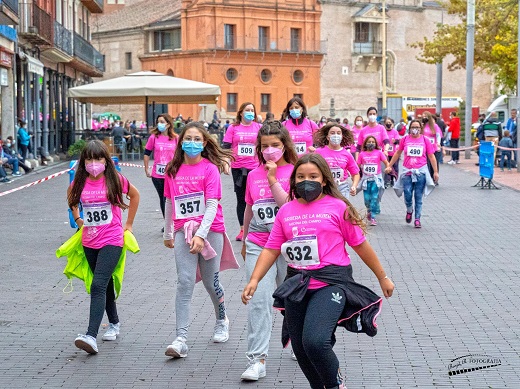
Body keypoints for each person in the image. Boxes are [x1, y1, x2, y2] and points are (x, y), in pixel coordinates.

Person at [242, 153, 394, 389]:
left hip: (331, 283)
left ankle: (336, 385)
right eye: (301, 177)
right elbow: (271, 249)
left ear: (324, 179)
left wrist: (382, 277)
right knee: (300, 348)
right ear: (293, 181)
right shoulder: (286, 211)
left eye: (313, 176)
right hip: (298, 285)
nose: (306, 181)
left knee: (315, 341)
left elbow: (360, 245)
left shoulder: (338, 207)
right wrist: (254, 279)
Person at [163, 122, 238, 358]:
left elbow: (212, 204)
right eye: (188, 138)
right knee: (184, 282)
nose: (192, 143)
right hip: (182, 230)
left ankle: (221, 319)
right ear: (181, 142)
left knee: (210, 282)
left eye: (197, 139)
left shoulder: (209, 169)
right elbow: (169, 202)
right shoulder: (172, 169)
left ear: (204, 143)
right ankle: (181, 338)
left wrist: (201, 235)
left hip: (210, 229)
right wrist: (168, 233)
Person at [67, 140, 140, 354]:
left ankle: (90, 335)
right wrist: (78, 217)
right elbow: (71, 199)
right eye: (89, 159)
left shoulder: (115, 179)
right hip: (89, 241)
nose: (93, 163)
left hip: (112, 239)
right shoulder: (79, 182)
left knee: (97, 285)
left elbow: (135, 196)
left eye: (98, 158)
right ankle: (114, 322)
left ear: (106, 161)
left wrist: (129, 224)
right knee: (104, 285)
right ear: (83, 162)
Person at [240, 120, 298, 381]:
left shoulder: (297, 171)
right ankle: (257, 359)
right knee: (258, 301)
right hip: (258, 242)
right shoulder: (253, 175)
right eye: (265, 146)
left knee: (293, 299)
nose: (270, 150)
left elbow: (288, 206)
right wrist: (244, 238)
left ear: (285, 145)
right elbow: (250, 208)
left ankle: (298, 341)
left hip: (289, 245)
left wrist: (274, 178)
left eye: (275, 145)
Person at [385, 119, 439, 228]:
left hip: (421, 172)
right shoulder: (405, 139)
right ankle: (409, 210)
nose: (415, 129)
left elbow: (432, 156)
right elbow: (397, 153)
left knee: (418, 197)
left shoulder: (425, 140)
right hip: (407, 172)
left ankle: (417, 218)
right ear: (410, 129)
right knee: (408, 193)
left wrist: (436, 172)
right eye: (413, 127)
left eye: (417, 127)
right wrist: (389, 165)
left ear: (420, 129)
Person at [222, 102, 261, 241]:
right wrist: (226, 162)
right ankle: (242, 229)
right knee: (241, 199)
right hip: (238, 167)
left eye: (252, 110)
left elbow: (264, 145)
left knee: (256, 198)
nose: (250, 112)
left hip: (255, 167)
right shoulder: (233, 128)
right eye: (247, 110)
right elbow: (226, 146)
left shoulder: (259, 127)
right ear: (241, 113)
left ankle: (256, 228)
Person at [143, 114, 178, 230]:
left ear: (168, 124)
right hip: (157, 175)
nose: (160, 124)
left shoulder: (175, 138)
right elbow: (147, 153)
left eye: (162, 122)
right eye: (158, 122)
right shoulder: (154, 137)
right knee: (163, 198)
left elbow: (180, 155)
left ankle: (174, 221)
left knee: (171, 198)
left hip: (171, 174)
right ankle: (167, 223)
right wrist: (146, 168)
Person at [315, 123, 360, 199]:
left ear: (342, 137)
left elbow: (355, 173)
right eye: (332, 133)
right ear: (327, 137)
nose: (335, 135)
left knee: (342, 209)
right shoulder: (319, 152)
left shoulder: (347, 154)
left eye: (338, 133)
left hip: (342, 187)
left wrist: (354, 186)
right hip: (325, 187)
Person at [357, 136, 390, 226]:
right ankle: (369, 210)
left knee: (374, 198)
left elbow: (386, 162)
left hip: (376, 179)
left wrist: (387, 167)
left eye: (373, 142)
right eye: (369, 142)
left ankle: (373, 217)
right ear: (365, 143)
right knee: (367, 199)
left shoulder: (379, 152)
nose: (371, 143)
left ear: (375, 144)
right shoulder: (362, 154)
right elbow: (357, 165)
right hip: (366, 180)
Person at [422, 112, 443, 183]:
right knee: (426, 163)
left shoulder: (434, 126)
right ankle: (428, 178)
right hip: (425, 147)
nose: (424, 118)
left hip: (434, 147)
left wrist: (438, 143)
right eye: (423, 116)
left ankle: (435, 177)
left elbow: (438, 135)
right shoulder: (423, 126)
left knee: (434, 162)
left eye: (426, 116)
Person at [383, 118, 400, 188]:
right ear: (384, 124)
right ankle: (387, 181)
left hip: (394, 153)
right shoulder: (384, 132)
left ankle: (394, 179)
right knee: (387, 167)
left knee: (395, 167)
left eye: (390, 122)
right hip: (386, 153)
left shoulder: (395, 132)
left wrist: (395, 141)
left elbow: (398, 140)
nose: (388, 124)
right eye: (387, 122)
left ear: (392, 124)